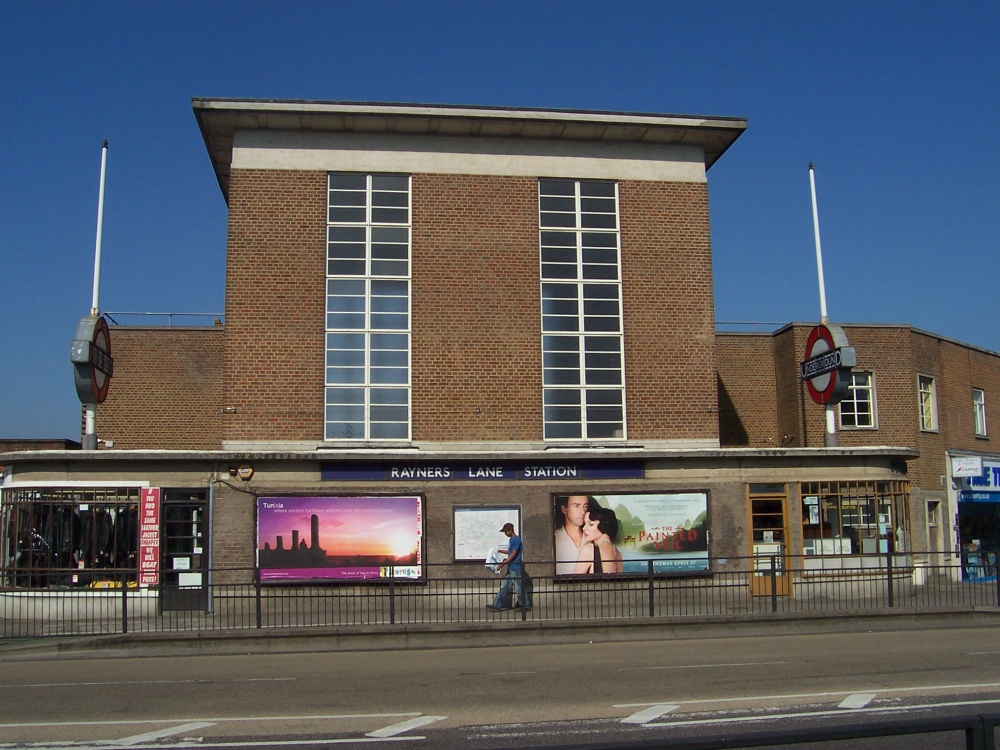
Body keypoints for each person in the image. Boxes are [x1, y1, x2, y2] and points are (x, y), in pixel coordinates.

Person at [487, 522, 531, 611]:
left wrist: (503, 563)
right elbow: (510, 551)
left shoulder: (516, 540)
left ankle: (525, 606)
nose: (505, 534)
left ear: (510, 530)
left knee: (519, 588)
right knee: (504, 587)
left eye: (506, 531)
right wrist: (500, 551)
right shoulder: (511, 540)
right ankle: (496, 605)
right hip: (511, 568)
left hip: (516, 568)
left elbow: (514, 554)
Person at [573, 507, 623, 574]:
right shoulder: (617, 553)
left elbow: (574, 582)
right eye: (585, 524)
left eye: (591, 524)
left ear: (603, 525)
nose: (584, 528)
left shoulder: (589, 550)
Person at [554, 495, 595, 575]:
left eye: (585, 506)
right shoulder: (554, 539)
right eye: (576, 506)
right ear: (564, 509)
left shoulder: (593, 538)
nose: (583, 511)